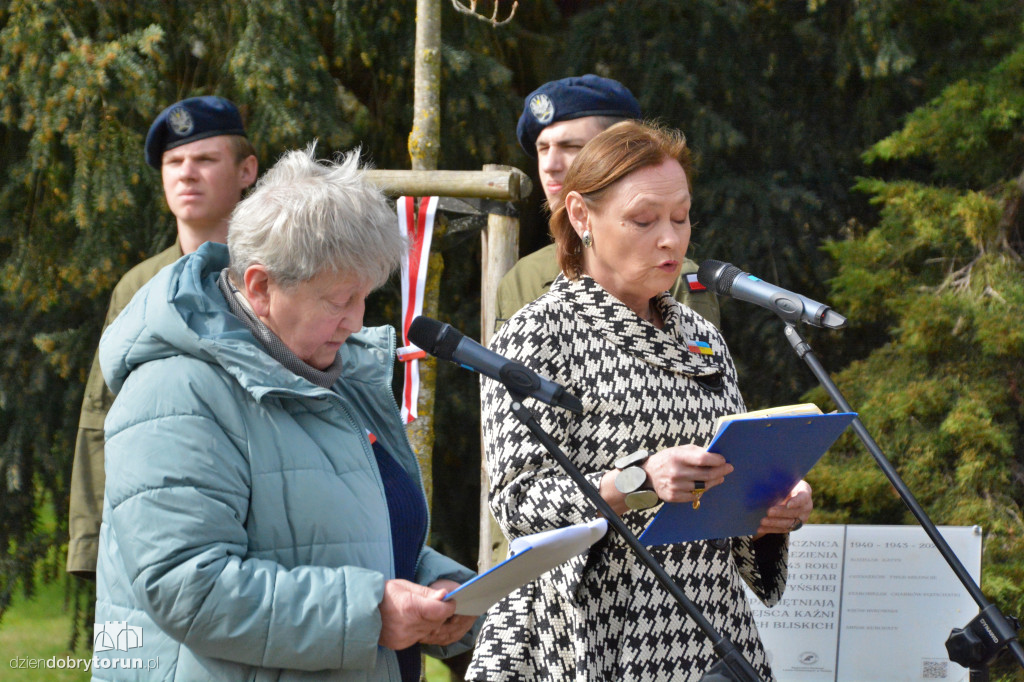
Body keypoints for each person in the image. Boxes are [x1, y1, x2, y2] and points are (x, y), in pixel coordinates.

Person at [92, 146, 479, 680]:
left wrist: (434, 586)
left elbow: (340, 536)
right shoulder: (176, 390)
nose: (355, 321)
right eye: (338, 299)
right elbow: (187, 585)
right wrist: (369, 614)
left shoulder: (335, 371)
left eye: (364, 297)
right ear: (259, 287)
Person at [466, 121, 812, 681]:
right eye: (644, 220)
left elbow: (723, 501)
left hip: (704, 634)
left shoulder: (703, 339)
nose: (671, 239)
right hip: (585, 633)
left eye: (681, 217)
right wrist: (640, 481)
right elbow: (518, 503)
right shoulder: (539, 333)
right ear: (581, 217)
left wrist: (766, 514)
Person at [67, 96, 259, 579]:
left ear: (247, 170)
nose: (186, 174)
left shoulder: (276, 276)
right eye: (174, 162)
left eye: (205, 159)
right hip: (155, 530)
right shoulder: (139, 288)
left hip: (260, 520)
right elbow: (101, 417)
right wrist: (90, 543)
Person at [494, 74, 719, 331]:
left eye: (572, 147)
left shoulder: (675, 278)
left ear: (621, 153)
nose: (549, 166)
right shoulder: (524, 277)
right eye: (543, 149)